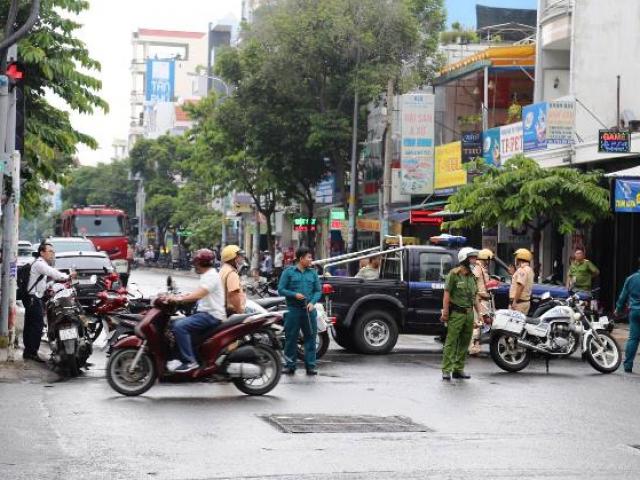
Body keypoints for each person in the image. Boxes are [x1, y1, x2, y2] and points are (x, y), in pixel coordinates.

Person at [166, 249, 226, 372]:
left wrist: (178, 299)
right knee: (172, 323)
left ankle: (190, 361)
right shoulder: (207, 275)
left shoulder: (210, 276)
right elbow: (197, 294)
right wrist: (181, 296)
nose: (194, 266)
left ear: (200, 263)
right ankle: (178, 357)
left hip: (211, 315)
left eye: (195, 263)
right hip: (205, 313)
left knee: (180, 326)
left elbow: (198, 294)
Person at [23, 242, 72, 362]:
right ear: (42, 252)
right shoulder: (40, 264)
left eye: (53, 252)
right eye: (50, 251)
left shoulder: (39, 264)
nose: (52, 254)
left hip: (32, 298)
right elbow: (53, 273)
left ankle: (28, 351)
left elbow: (41, 284)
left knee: (30, 325)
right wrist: (67, 276)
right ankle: (32, 353)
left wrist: (51, 286)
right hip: (33, 299)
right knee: (36, 326)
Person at [278, 246, 322, 376]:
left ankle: (311, 366)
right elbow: (281, 289)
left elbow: (318, 291)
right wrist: (294, 294)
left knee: (310, 338)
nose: (311, 260)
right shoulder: (288, 272)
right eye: (309, 257)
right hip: (293, 310)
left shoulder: (313, 273)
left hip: (309, 311)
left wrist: (312, 303)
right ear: (301, 258)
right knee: (291, 338)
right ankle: (290, 365)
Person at [441, 247, 481, 380]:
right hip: (457, 313)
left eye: (475, 258)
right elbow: (446, 293)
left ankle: (458, 369)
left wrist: (479, 314)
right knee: (451, 342)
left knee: (465, 342)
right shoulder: (454, 274)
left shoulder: (472, 277)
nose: (475, 260)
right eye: (472, 258)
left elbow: (474, 297)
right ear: (464, 259)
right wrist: (445, 312)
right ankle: (446, 369)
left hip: (469, 314)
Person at [615, 258, 640, 373]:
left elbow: (622, 296)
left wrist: (618, 309)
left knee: (633, 338)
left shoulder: (631, 279)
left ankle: (628, 365)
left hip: (634, 311)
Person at [469, 248, 493, 355]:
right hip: (480, 300)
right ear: (485, 259)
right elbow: (473, 282)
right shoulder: (478, 268)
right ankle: (473, 348)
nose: (489, 262)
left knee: (481, 324)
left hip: (484, 300)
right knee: (477, 324)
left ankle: (476, 346)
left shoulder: (482, 268)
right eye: (488, 260)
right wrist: (478, 295)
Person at [219, 245, 246, 315]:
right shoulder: (231, 273)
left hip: (223, 309)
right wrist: (240, 312)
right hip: (232, 312)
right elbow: (233, 295)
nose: (242, 258)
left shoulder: (223, 269)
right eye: (240, 256)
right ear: (233, 258)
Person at [510, 248, 535, 314]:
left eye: (516, 257)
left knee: (513, 323)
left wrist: (515, 302)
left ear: (519, 258)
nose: (515, 259)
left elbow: (520, 286)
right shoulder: (529, 270)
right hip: (525, 302)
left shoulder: (522, 270)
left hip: (519, 304)